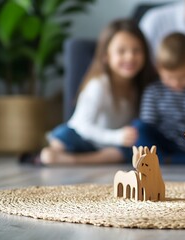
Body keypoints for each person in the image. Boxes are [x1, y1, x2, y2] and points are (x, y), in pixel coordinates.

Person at [39, 19, 156, 165]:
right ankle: (65, 157)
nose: (130, 57)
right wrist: (116, 136)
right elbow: (83, 126)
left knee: (128, 150)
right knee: (63, 137)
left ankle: (72, 160)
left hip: (110, 144)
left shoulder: (142, 87)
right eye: (121, 51)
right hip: (83, 137)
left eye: (136, 50)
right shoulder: (98, 85)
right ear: (106, 56)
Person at [132, 32, 185, 163]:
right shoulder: (153, 91)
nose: (176, 83)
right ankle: (163, 159)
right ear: (158, 69)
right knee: (139, 127)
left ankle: (179, 159)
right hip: (162, 144)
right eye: (169, 78)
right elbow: (148, 124)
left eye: (183, 77)